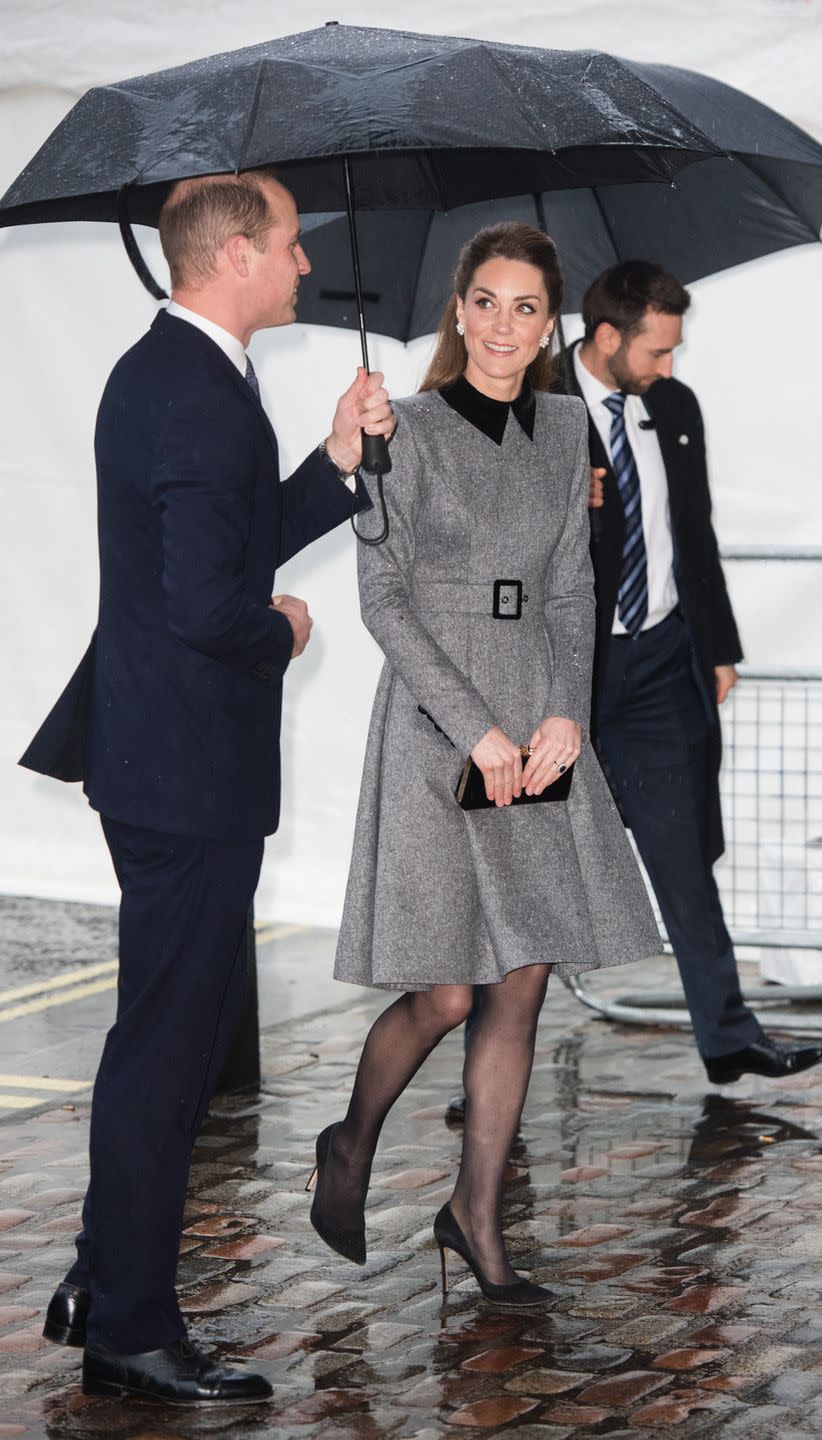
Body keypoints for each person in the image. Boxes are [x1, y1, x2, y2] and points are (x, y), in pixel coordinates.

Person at [19, 168, 394, 1405]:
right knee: (167, 1056)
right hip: (183, 769)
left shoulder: (185, 377)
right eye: (289, 246)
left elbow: (224, 540)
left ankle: (97, 1274)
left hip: (165, 761)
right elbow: (205, 603)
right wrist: (281, 634)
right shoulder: (190, 392)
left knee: (160, 1040)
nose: (303, 264)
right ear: (234, 253)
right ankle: (130, 1323)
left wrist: (336, 462)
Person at [307, 223, 661, 1307]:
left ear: (548, 325)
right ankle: (351, 1138)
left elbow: (571, 588)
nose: (506, 325)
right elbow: (382, 601)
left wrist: (567, 713)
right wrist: (478, 728)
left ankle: (476, 1217)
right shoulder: (394, 429)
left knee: (524, 981)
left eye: (526, 308)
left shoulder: (565, 430)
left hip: (537, 718)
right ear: (458, 311)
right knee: (450, 992)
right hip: (433, 724)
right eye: (488, 301)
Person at [571, 261, 822, 1085]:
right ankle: (485, 1071)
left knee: (684, 855)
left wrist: (718, 647)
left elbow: (696, 532)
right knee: (533, 875)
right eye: (657, 351)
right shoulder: (536, 412)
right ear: (608, 338)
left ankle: (727, 1034)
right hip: (564, 677)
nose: (669, 368)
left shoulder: (673, 407)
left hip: (657, 665)